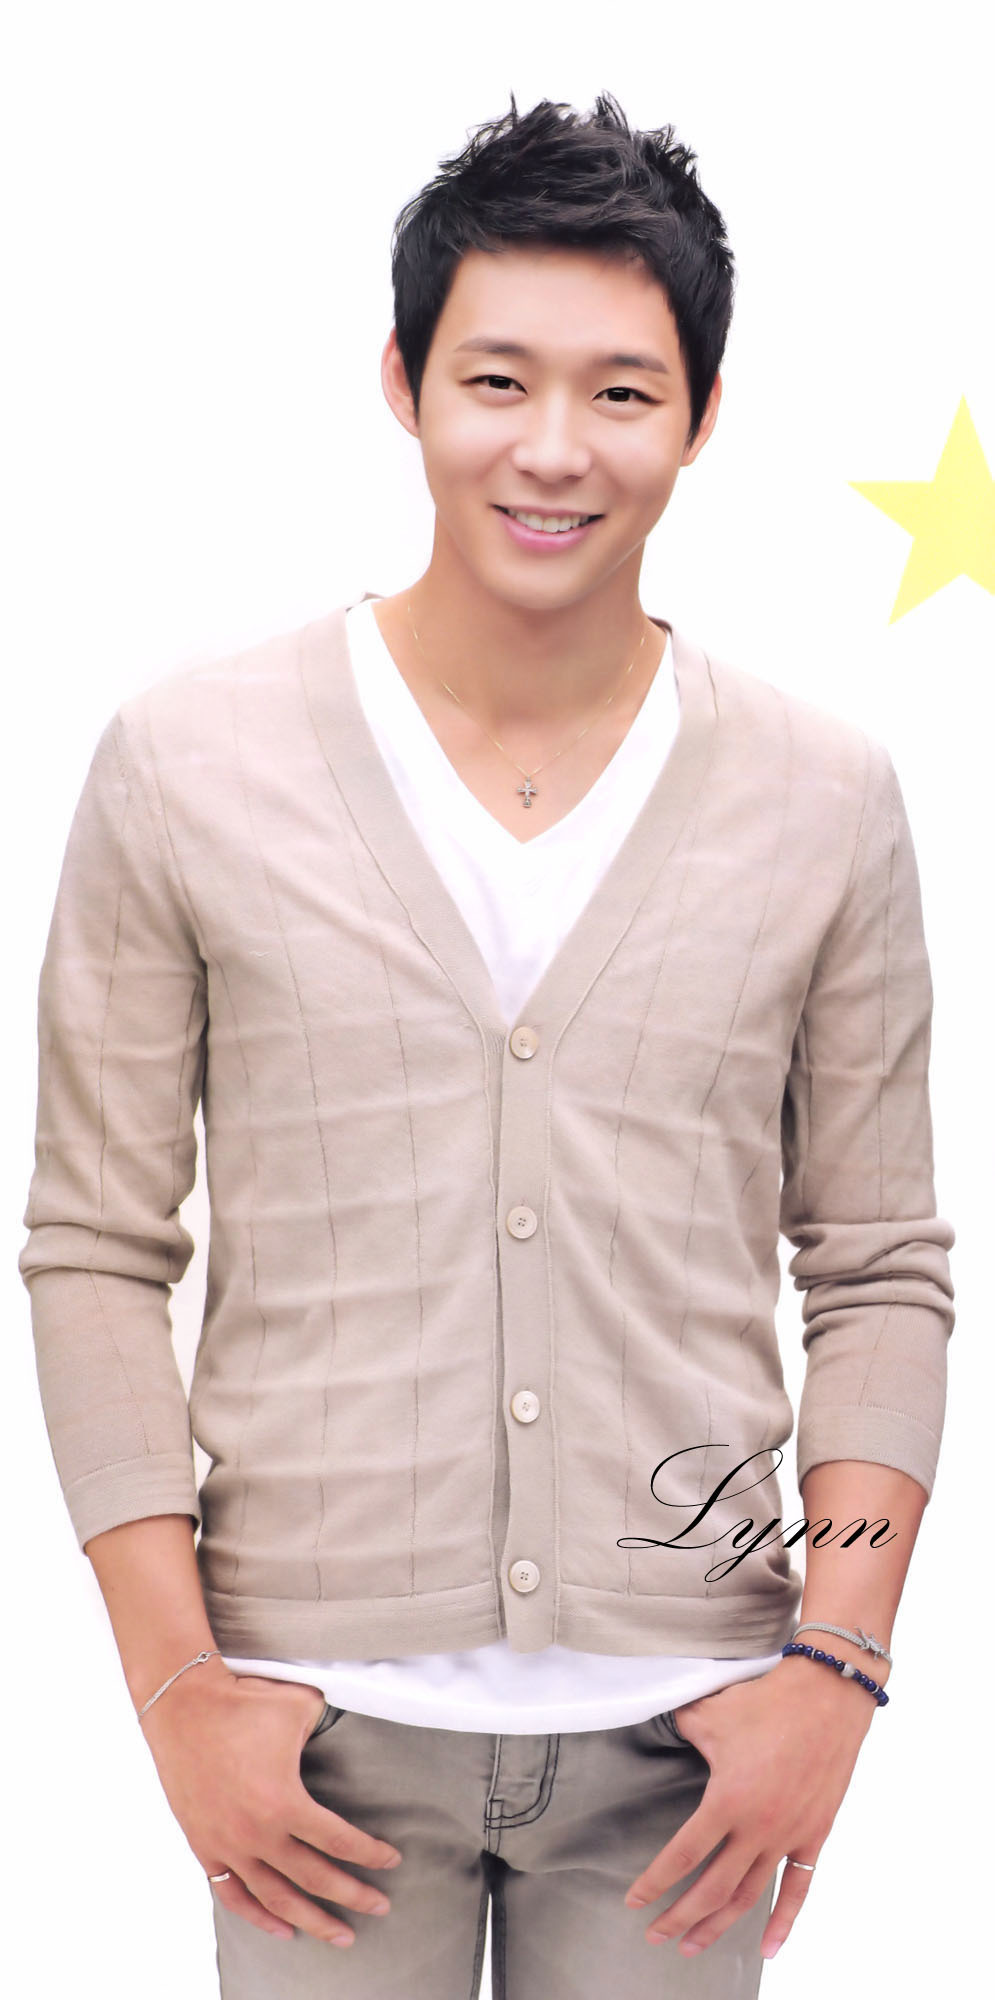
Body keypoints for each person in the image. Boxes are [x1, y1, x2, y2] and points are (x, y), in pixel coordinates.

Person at [20, 93, 955, 1999]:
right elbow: (95, 1248)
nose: (551, 448)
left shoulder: (826, 793)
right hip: (309, 1743)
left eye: (622, 393)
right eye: (496, 380)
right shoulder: (188, 761)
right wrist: (175, 1684)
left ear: (702, 415)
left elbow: (879, 1265)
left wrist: (840, 1665)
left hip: (690, 1745)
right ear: (404, 382)